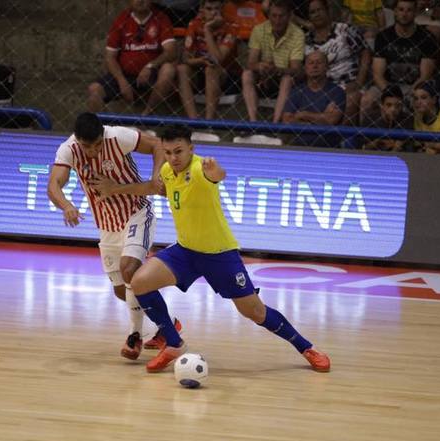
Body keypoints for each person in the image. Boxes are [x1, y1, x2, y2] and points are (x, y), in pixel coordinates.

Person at [89, 125, 331, 374]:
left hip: (220, 255)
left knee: (255, 311)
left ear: (191, 149)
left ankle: (306, 348)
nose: (174, 158)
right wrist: (114, 189)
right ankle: (174, 344)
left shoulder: (200, 168)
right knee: (139, 282)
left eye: (179, 151)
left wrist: (216, 172)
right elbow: (153, 188)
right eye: (169, 152)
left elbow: (216, 175)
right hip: (186, 252)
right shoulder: (167, 171)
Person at [46, 112, 178, 360]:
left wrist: (156, 175)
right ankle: (168, 323)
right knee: (123, 291)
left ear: (102, 135)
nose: (94, 151)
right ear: (78, 141)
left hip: (137, 213)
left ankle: (134, 336)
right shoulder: (68, 150)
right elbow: (54, 185)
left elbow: (157, 144)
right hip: (107, 226)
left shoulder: (118, 136)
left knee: (130, 270)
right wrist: (66, 206)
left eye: (97, 144)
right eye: (88, 147)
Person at [87, 0, 178, 115]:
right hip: (126, 75)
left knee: (168, 70)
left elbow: (171, 52)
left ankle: (147, 113)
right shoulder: (122, 20)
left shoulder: (161, 18)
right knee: (94, 89)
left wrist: (150, 66)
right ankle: (101, 129)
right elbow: (110, 57)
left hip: (153, 73)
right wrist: (121, 81)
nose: (141, 0)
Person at [360, 0, 438, 126]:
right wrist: (391, 95)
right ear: (395, 12)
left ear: (415, 12)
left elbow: (425, 77)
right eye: (401, 10)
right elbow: (377, 75)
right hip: (386, 86)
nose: (404, 14)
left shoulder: (427, 38)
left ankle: (415, 142)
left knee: (419, 101)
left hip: (413, 88)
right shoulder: (383, 37)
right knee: (366, 100)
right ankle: (364, 141)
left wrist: (407, 94)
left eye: (409, 10)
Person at [304, 0, 370, 125]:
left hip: (350, 85)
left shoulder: (345, 30)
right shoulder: (307, 41)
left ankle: (341, 142)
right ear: (309, 17)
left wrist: (359, 82)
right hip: (323, 88)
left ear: (327, 11)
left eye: (320, 10)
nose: (317, 14)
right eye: (312, 12)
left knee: (350, 101)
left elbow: (365, 53)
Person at [242, 0, 305, 122]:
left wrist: (277, 69)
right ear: (269, 15)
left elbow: (296, 69)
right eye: (274, 16)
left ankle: (275, 124)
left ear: (289, 16)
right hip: (263, 77)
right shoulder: (259, 29)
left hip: (285, 79)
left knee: (287, 79)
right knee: (247, 74)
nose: (277, 20)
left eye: (281, 16)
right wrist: (260, 66)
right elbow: (250, 63)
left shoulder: (298, 34)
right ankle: (253, 122)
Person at [177, 0, 239, 120]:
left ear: (222, 9)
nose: (214, 13)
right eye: (209, 9)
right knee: (181, 69)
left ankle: (209, 122)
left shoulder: (232, 26)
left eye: (217, 9)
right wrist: (201, 60)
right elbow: (185, 58)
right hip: (200, 69)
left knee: (211, 69)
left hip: (225, 75)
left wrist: (207, 30)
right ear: (201, 9)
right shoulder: (194, 24)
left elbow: (217, 59)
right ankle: (193, 120)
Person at [281, 49, 346, 146]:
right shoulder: (297, 91)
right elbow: (287, 120)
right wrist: (320, 118)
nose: (314, 66)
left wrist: (303, 115)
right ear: (305, 67)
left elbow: (330, 120)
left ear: (326, 67)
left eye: (319, 63)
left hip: (328, 149)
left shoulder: (337, 91)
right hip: (298, 147)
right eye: (311, 63)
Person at [361, 84, 414, 151]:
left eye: (398, 105)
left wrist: (395, 145)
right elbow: (364, 148)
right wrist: (378, 141)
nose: (393, 109)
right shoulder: (370, 118)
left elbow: (398, 148)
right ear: (381, 105)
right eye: (389, 105)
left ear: (402, 106)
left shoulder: (407, 119)